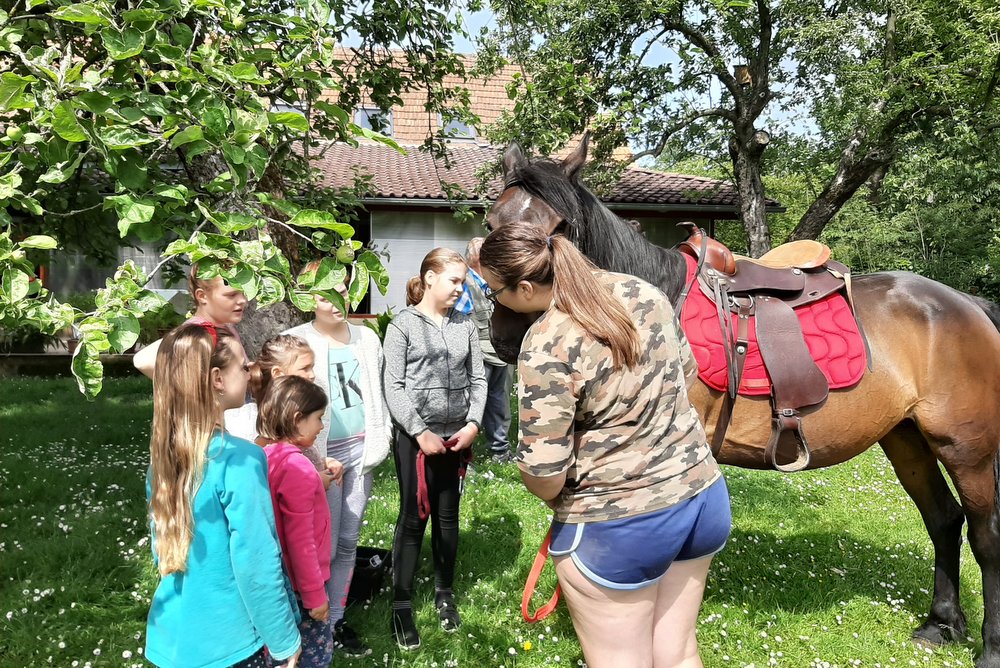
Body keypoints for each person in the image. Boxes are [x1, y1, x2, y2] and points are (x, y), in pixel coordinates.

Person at [479, 223, 731, 668]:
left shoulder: (545, 344)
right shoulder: (642, 290)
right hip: (701, 496)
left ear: (522, 287)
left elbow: (544, 478)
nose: (493, 300)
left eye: (492, 291)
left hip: (619, 525)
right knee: (678, 653)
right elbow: (687, 374)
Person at [145, 324, 301, 668]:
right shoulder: (241, 459)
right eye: (243, 366)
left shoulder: (164, 459)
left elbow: (162, 551)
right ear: (217, 379)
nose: (250, 374)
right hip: (231, 643)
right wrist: (284, 639)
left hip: (173, 637)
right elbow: (256, 562)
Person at [284, 268, 392, 658]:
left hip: (361, 452)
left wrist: (381, 437)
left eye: (342, 290)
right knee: (323, 546)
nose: (337, 300)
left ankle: (335, 621)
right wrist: (311, 458)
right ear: (309, 298)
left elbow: (377, 393)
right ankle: (313, 617)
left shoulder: (367, 337)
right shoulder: (299, 340)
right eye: (325, 294)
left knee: (348, 540)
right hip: (320, 456)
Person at [382, 247, 487, 650]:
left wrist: (474, 423)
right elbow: (392, 384)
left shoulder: (465, 325)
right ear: (429, 279)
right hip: (417, 440)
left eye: (462, 280)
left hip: (456, 434)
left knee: (448, 516)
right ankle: (402, 603)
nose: (461, 289)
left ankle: (445, 592)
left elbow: (478, 379)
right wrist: (418, 430)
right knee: (413, 518)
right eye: (455, 281)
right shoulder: (403, 325)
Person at [258, 375, 335, 668]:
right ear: (297, 418)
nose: (321, 426)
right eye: (318, 418)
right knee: (313, 655)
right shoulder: (297, 466)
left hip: (281, 581)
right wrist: (315, 596)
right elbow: (300, 539)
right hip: (304, 584)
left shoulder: (268, 455)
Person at [454, 237, 513, 462]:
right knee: (470, 404)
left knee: (500, 402)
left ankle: (500, 450)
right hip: (479, 355)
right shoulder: (465, 282)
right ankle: (460, 454)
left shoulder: (495, 282)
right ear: (480, 257)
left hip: (501, 352)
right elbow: (458, 320)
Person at [134, 264, 248, 379]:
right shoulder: (197, 332)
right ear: (202, 296)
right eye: (231, 295)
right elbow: (142, 360)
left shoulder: (225, 326)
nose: (242, 300)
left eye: (244, 293)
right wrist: (192, 389)